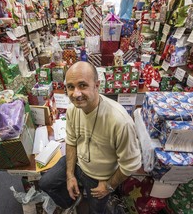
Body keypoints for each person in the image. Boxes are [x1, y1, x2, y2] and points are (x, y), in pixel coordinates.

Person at [39, 61, 142, 214]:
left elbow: (130, 165)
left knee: (96, 211)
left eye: (83, 85)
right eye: (70, 87)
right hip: (78, 162)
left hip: (99, 176)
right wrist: (70, 175)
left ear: (97, 85)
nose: (76, 93)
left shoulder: (120, 121)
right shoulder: (73, 109)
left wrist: (108, 186)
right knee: (45, 183)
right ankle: (71, 203)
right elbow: (72, 141)